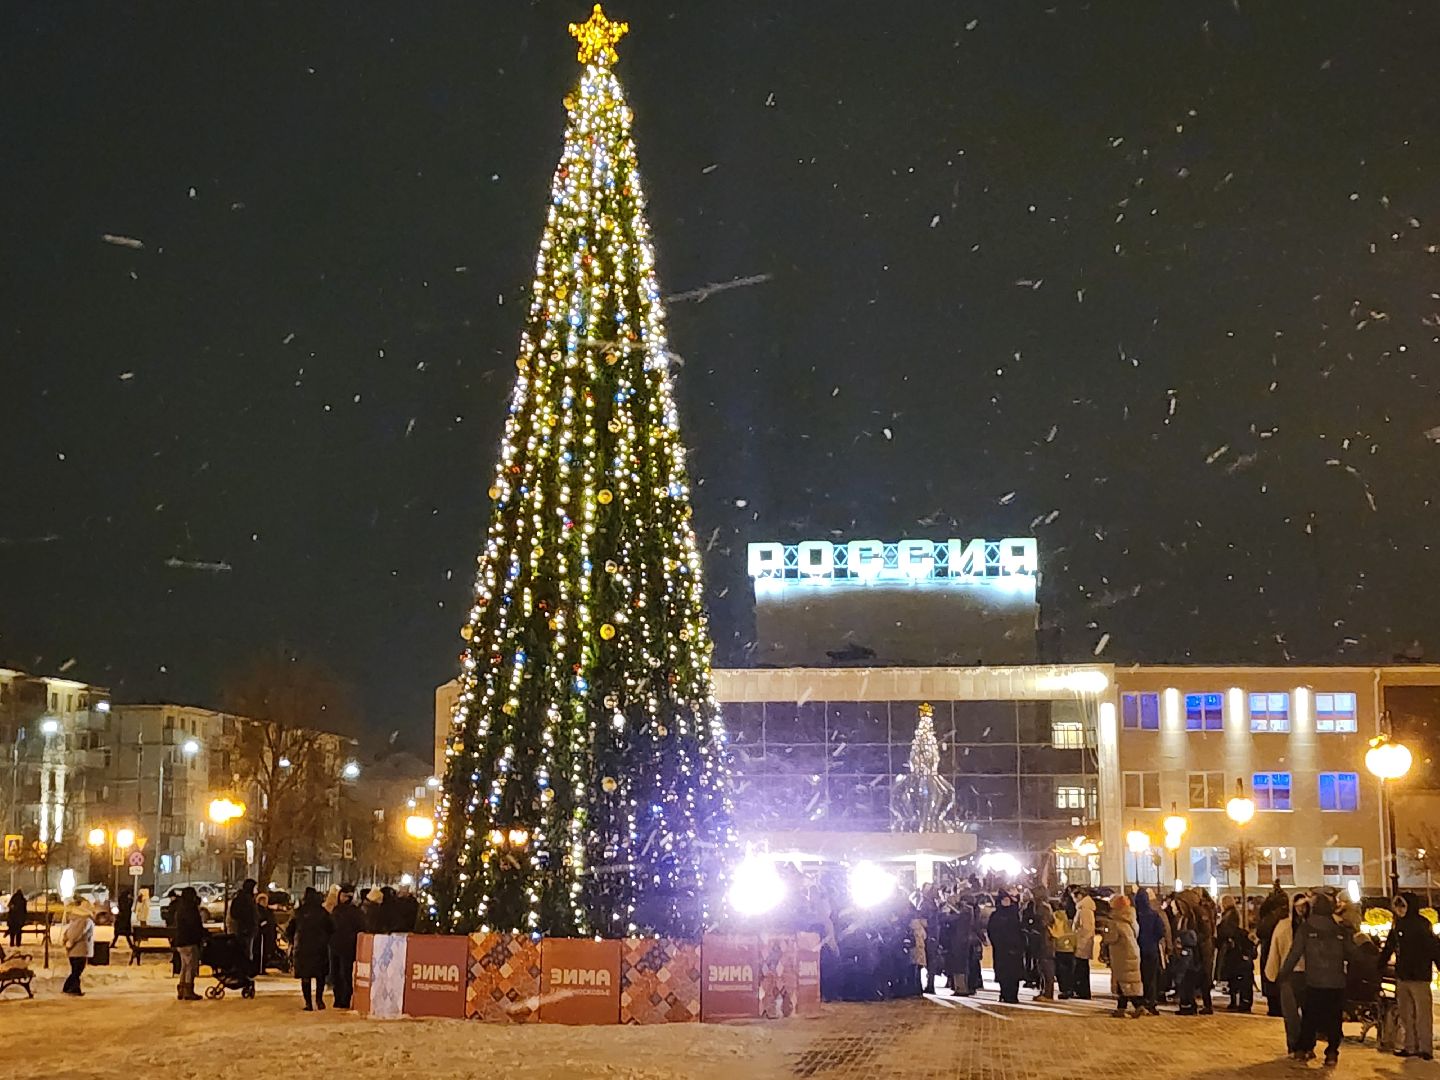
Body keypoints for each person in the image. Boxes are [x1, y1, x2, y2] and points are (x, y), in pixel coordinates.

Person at [1279, 891, 1355, 1068]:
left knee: (1310, 1016)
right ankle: (1332, 1052)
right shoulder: (1339, 929)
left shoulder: (1306, 928)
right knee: (1334, 1018)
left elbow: (1294, 953)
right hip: (1336, 981)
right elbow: (1352, 953)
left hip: (1314, 980)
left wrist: (1284, 974)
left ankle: (1303, 1049)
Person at [1379, 892, 1438, 1060]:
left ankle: (1424, 1047)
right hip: (1404, 975)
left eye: (1402, 906)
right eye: (1397, 906)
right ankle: (1411, 1046)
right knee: (1406, 1014)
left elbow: (1433, 947)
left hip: (1418, 976)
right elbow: (1389, 947)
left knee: (1421, 1014)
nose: (1398, 909)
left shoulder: (1421, 925)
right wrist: (1381, 964)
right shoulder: (1398, 925)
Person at [1265, 890, 1311, 1058]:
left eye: (1304, 906)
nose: (1301, 910)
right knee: (1291, 1014)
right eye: (1298, 906)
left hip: (1308, 974)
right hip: (1289, 975)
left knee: (1308, 1013)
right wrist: (1274, 971)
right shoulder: (1284, 926)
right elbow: (1275, 948)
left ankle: (1306, 1046)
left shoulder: (1311, 926)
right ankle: (1294, 1046)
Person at [287, 887, 335, 1011]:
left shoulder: (299, 912)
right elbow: (332, 928)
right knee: (320, 976)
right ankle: (319, 1000)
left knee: (305, 976)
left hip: (303, 948)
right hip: (320, 948)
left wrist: (293, 941)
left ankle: (308, 1003)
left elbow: (290, 929)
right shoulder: (323, 912)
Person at [1104, 894, 1144, 1017]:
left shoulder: (1115, 922)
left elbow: (1111, 938)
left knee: (1124, 983)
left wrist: (1104, 935)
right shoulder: (1131, 918)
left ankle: (1136, 1006)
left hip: (1121, 955)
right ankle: (1124, 1007)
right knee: (1128, 982)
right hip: (1132, 952)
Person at [1215, 894, 1256, 1012]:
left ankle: (1236, 1001)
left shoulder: (1230, 915)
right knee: (1234, 976)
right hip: (1232, 949)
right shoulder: (1232, 914)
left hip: (1232, 950)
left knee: (1234, 976)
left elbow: (1227, 930)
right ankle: (1236, 1000)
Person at [1255, 886, 1288, 1017]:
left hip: (1270, 950)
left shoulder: (1271, 917)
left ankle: (1275, 1007)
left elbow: (1261, 931)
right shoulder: (1283, 917)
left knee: (1271, 977)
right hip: (1277, 950)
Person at [330, 883, 364, 1009]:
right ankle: (338, 998)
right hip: (335, 945)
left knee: (345, 973)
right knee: (336, 973)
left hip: (347, 946)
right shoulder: (337, 910)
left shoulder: (355, 912)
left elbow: (360, 928)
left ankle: (344, 998)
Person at [987, 890, 1025, 1004]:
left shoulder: (1015, 913)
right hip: (1001, 949)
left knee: (1014, 973)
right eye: (1004, 900)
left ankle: (1013, 995)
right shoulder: (996, 915)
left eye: (1008, 900)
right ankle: (1004, 993)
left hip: (1014, 949)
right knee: (1003, 973)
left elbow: (1020, 929)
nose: (1006, 902)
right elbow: (991, 930)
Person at [1133, 888, 1166, 1015]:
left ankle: (1140, 1001)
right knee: (1151, 978)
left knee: (1140, 977)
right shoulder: (1154, 915)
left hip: (1138, 950)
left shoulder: (1135, 915)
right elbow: (1160, 932)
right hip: (1151, 950)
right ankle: (1151, 1002)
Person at [170, 886, 205, 1000]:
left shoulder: (181, 907)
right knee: (191, 966)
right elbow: (194, 925)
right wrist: (202, 934)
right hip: (189, 941)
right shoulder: (190, 908)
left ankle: (181, 989)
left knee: (184, 966)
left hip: (180, 941)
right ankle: (188, 990)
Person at [61, 899, 96, 996]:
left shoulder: (76, 919)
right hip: (80, 949)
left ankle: (69, 987)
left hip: (75, 950)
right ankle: (73, 988)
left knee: (76, 970)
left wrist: (66, 940)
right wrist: (70, 942)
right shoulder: (85, 920)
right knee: (78, 970)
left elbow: (69, 932)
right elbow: (77, 933)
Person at [226, 878, 259, 976]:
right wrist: (246, 923)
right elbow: (236, 913)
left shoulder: (246, 898)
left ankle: (243, 970)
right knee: (244, 950)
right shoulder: (244, 899)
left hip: (247, 929)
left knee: (246, 950)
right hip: (245, 929)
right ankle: (243, 970)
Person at [1071, 888, 1096, 999]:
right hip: (1083, 942)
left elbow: (1086, 928)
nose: (1073, 900)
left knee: (1081, 968)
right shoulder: (1084, 908)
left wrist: (1077, 935)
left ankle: (1083, 992)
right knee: (1082, 967)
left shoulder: (1084, 909)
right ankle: (1082, 991)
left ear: (1080, 896)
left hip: (1083, 943)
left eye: (1074, 897)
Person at [1052, 900, 1077, 999]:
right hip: (1070, 949)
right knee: (1070, 971)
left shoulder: (1055, 918)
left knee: (1061, 972)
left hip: (1060, 949)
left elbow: (1055, 933)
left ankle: (1064, 990)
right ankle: (1070, 989)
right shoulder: (1068, 920)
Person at [1032, 897, 1057, 1001]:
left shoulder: (1043, 909)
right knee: (1042, 969)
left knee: (1047, 969)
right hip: (1044, 945)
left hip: (1045, 945)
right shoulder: (1044, 907)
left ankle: (1047, 993)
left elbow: (1043, 924)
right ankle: (1044, 991)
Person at [255, 892, 277, 974]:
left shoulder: (266, 910)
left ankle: (262, 967)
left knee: (266, 952)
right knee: (261, 952)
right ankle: (260, 968)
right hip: (262, 934)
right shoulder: (259, 910)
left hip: (267, 933)